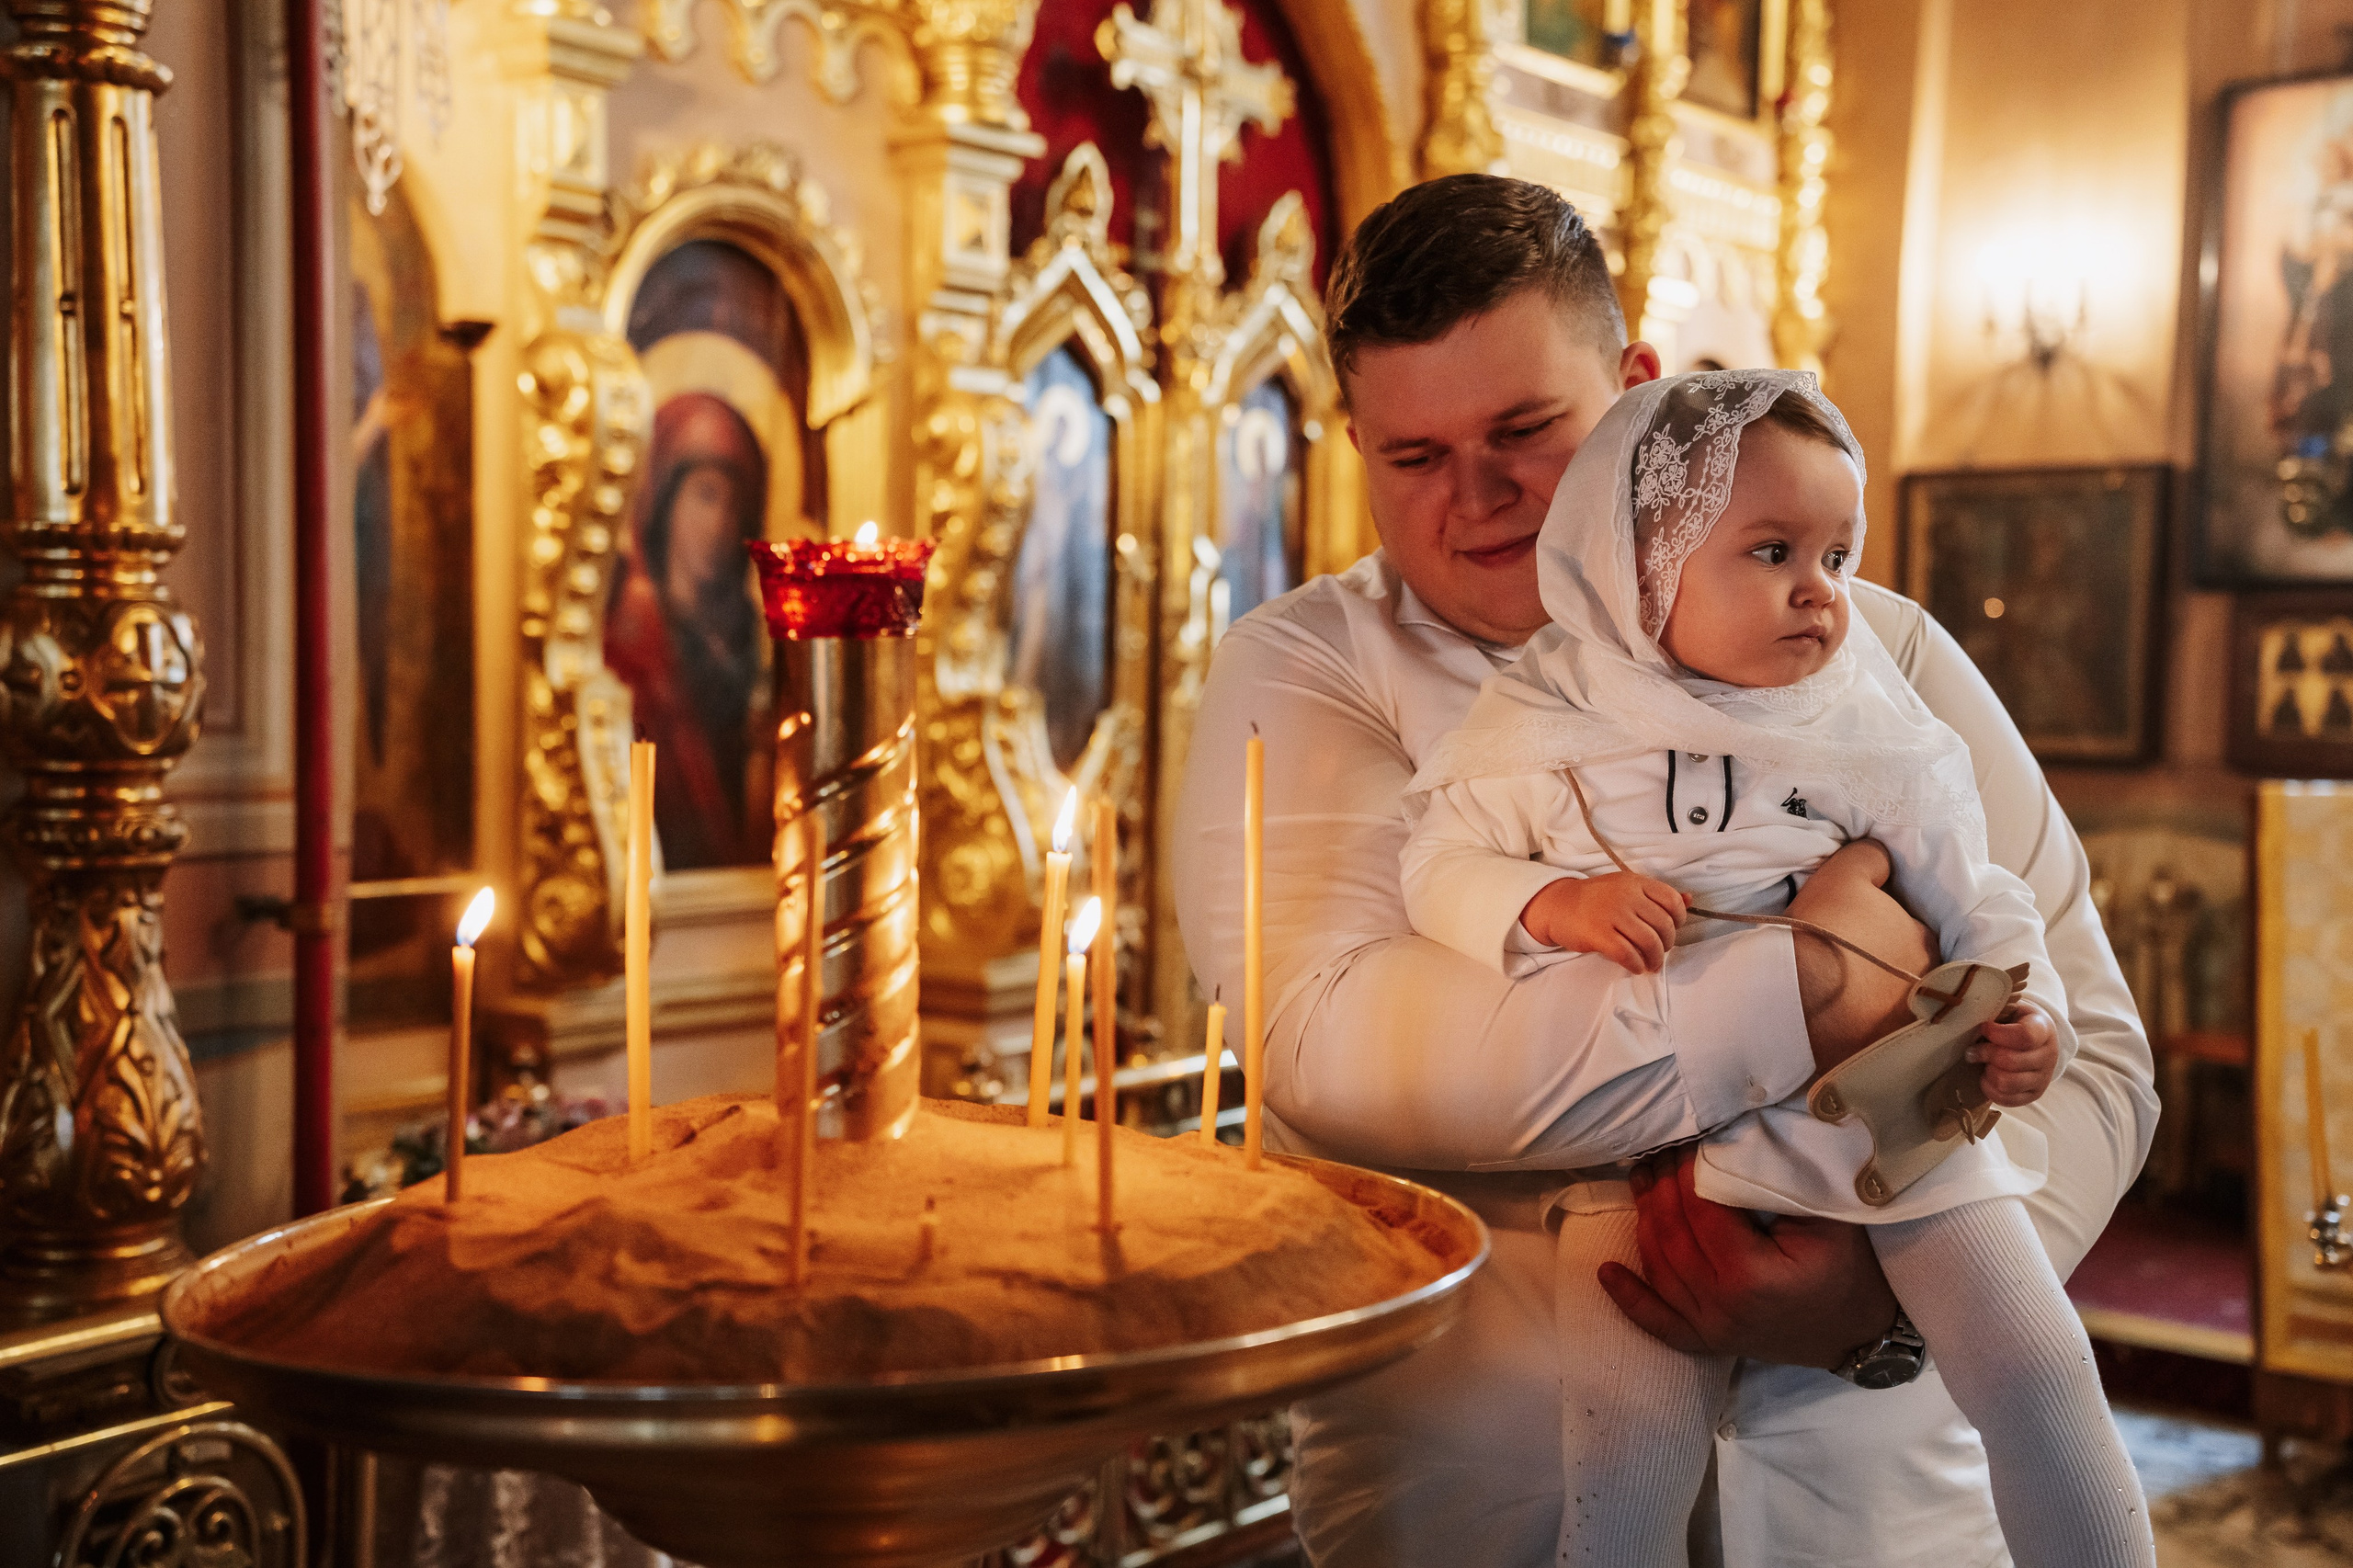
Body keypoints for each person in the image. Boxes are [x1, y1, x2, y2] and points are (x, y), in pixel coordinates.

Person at [1167, 175, 2156, 1567]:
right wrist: (1807, 984)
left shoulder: (1882, 651)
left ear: (1637, 392)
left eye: (1526, 431)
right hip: (1479, 1507)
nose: (1480, 499)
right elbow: (1332, 1044)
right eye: (1413, 457)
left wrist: (1878, 1302)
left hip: (1884, 1517)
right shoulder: (1310, 669)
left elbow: (2097, 1058)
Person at [1398, 369, 2152, 1567]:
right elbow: (1436, 868)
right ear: (1641, 563)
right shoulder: (1542, 722)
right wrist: (1554, 900)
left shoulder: (1864, 723)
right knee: (1622, 1453)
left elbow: (1981, 891)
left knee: (2037, 1370)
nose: (1822, 593)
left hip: (1886, 1129)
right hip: (1640, 1147)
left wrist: (2026, 1005)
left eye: (1841, 556)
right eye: (1772, 550)